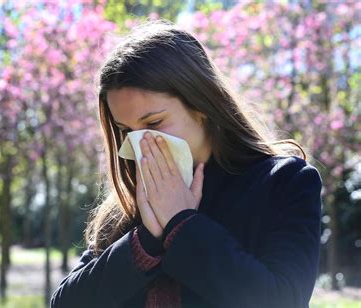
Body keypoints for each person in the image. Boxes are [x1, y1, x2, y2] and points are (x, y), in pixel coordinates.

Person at [50, 19, 323, 308]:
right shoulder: (129, 204)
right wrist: (146, 242)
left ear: (201, 105)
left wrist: (181, 224)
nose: (140, 143)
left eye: (154, 122)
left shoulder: (285, 182)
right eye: (126, 130)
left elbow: (283, 301)